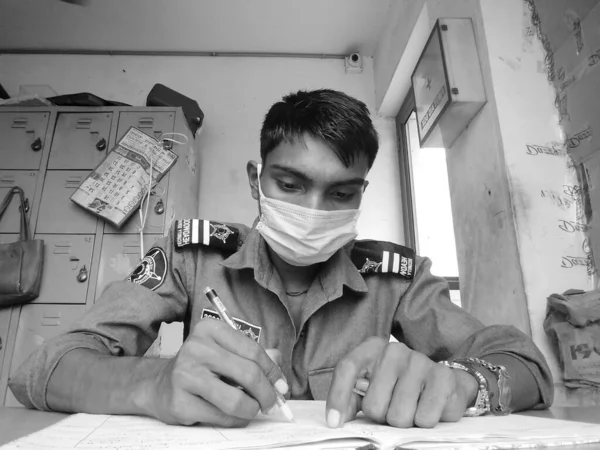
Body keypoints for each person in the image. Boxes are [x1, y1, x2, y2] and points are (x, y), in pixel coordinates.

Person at [9, 89, 553, 429]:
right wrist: (153, 383)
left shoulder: (397, 277)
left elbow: (525, 365)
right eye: (290, 184)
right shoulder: (193, 255)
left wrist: (461, 382)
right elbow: (44, 369)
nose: (314, 210)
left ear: (362, 193)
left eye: (341, 194)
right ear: (256, 180)